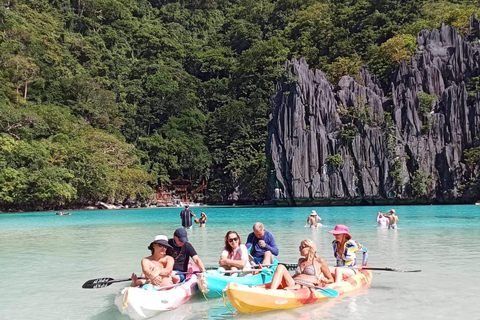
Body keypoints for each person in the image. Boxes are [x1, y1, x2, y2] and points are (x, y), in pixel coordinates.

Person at [270, 239, 334, 289]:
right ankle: (272, 290)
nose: (299, 250)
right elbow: (296, 275)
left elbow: (331, 279)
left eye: (301, 247)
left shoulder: (319, 261)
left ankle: (275, 292)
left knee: (288, 288)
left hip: (307, 285)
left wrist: (326, 281)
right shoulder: (300, 260)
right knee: (281, 266)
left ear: (309, 248)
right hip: (294, 282)